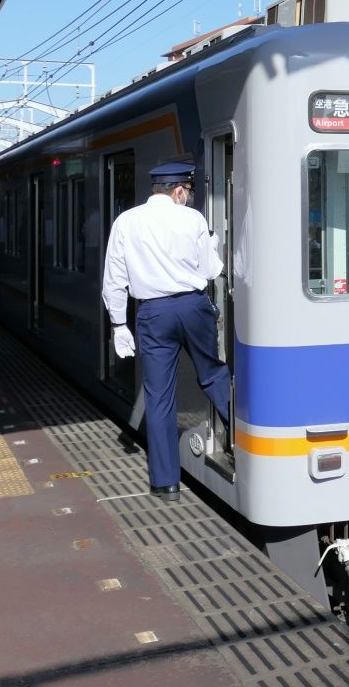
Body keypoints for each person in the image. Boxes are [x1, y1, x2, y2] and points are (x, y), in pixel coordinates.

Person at [100, 161, 228, 502]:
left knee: (158, 397)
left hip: (152, 313)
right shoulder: (192, 219)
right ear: (179, 190)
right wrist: (213, 246)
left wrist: (118, 324)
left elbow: (114, 279)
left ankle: (165, 483)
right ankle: (243, 442)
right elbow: (212, 269)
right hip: (192, 307)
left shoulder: (126, 221)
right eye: (187, 193)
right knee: (213, 375)